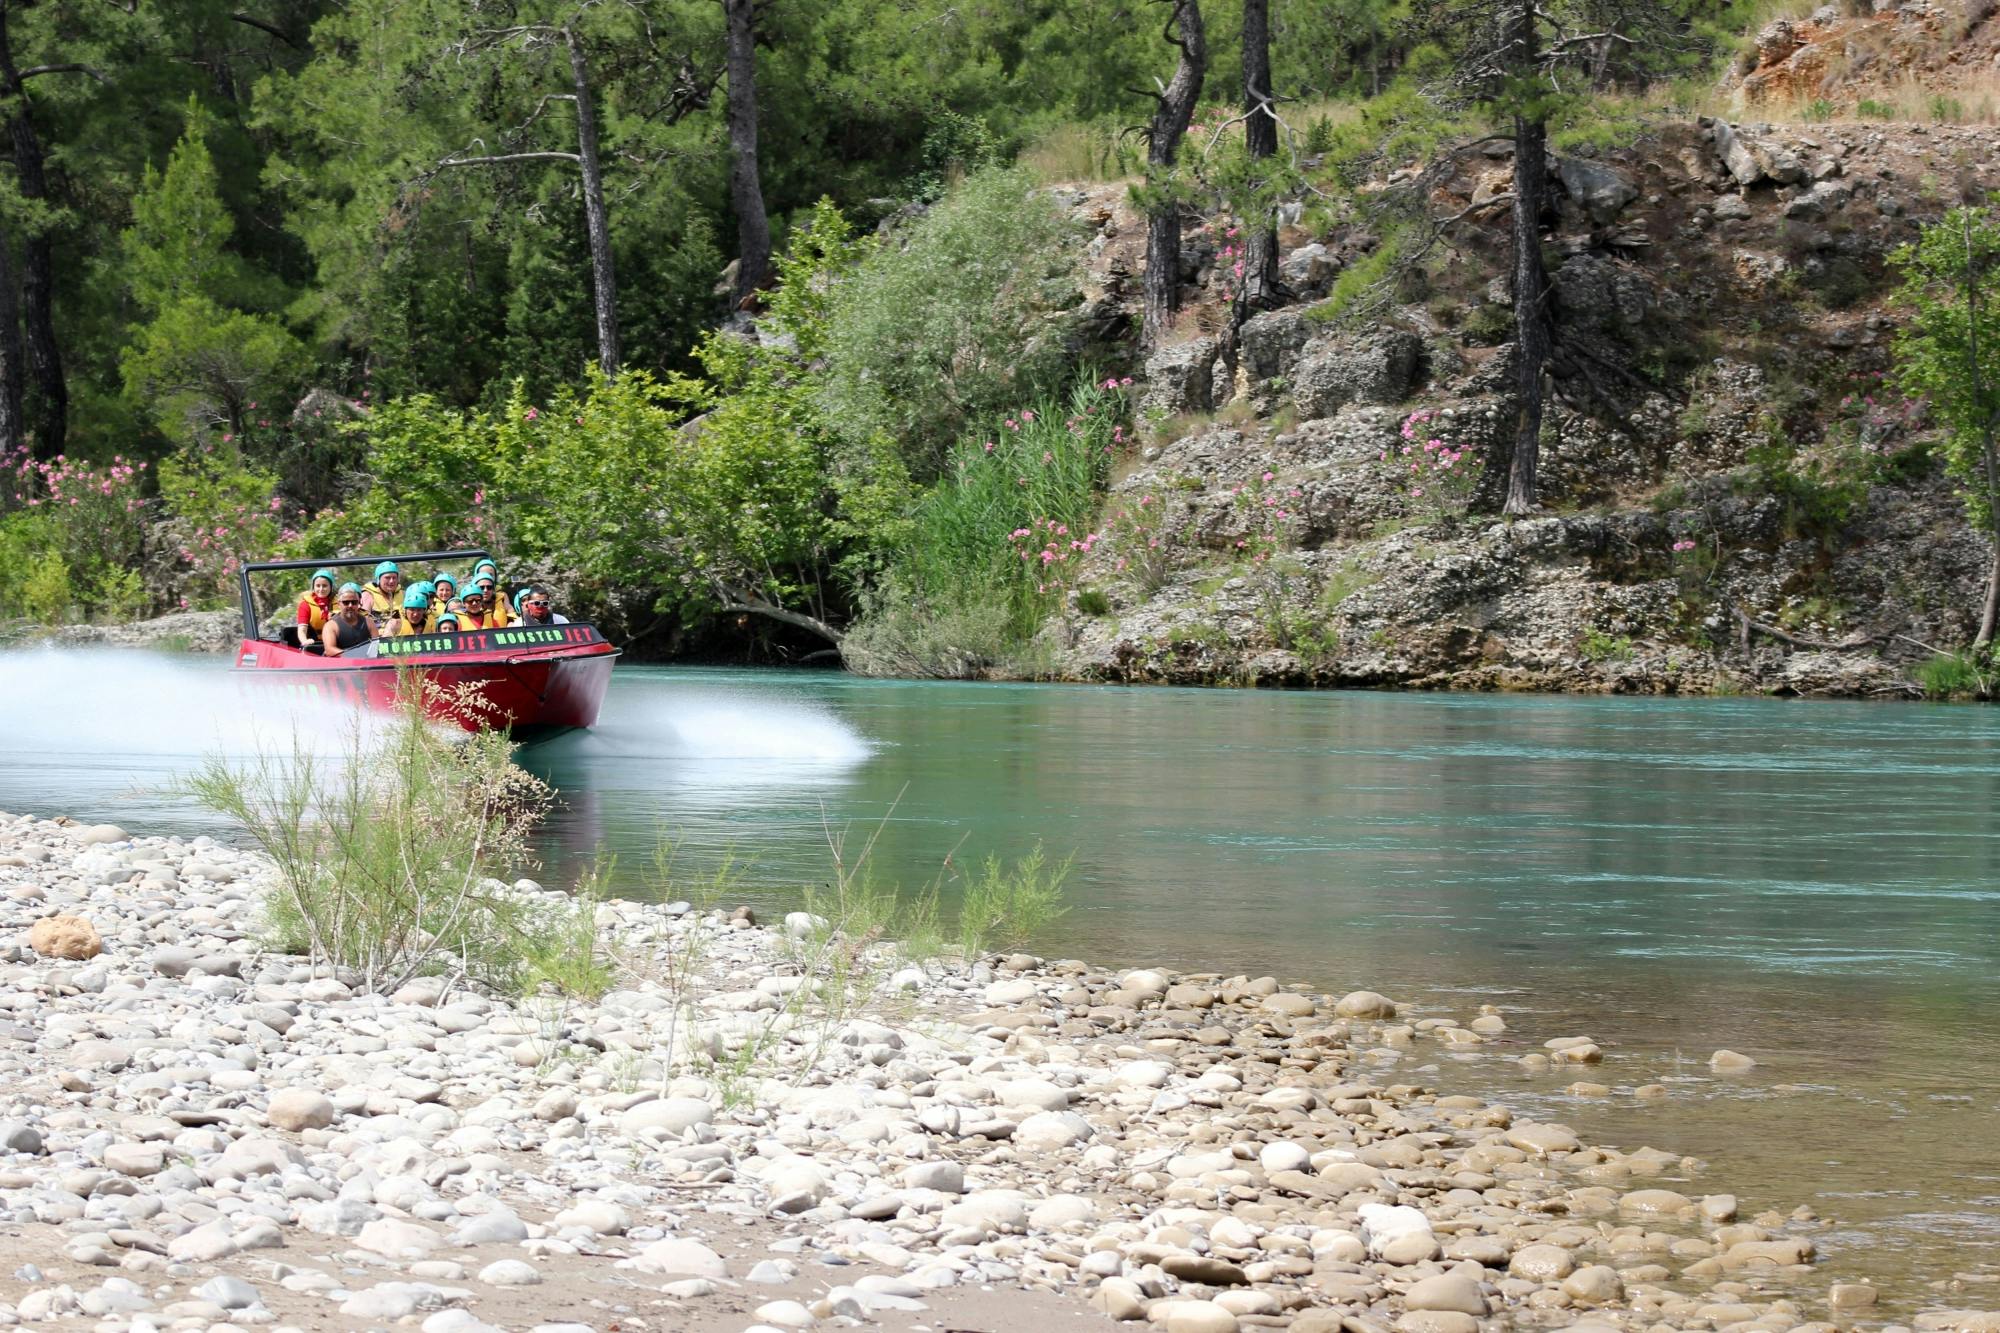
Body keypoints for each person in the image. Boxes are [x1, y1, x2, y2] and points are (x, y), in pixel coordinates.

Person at [321, 582, 375, 656]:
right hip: (342, 664)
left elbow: (377, 646)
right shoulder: (330, 626)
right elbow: (330, 650)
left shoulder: (369, 623)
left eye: (354, 602)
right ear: (339, 604)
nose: (350, 605)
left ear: (359, 603)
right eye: (346, 602)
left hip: (367, 663)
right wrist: (353, 656)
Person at [294, 568, 336, 648]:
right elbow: (302, 630)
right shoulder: (305, 605)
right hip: (316, 645)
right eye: (318, 586)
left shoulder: (340, 602)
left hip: (337, 643)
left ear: (331, 587)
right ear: (313, 587)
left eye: (325, 586)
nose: (321, 589)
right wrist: (304, 641)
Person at [362, 561, 402, 628]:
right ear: (378, 579)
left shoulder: (403, 594)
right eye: (387, 578)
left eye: (394, 578)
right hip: (377, 635)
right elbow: (363, 622)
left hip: (402, 635)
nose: (391, 581)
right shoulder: (368, 595)